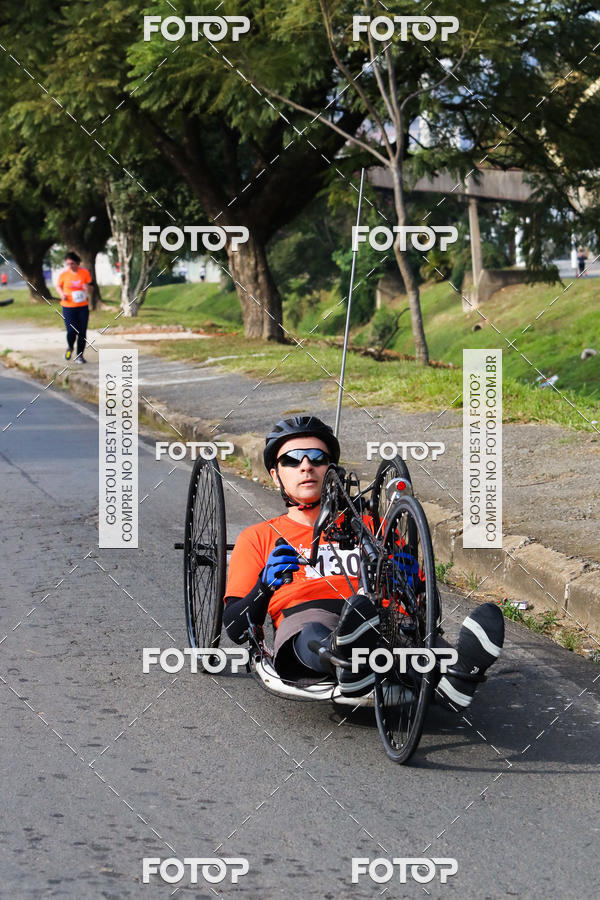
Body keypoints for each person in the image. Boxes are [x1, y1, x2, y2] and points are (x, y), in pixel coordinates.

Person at [223, 415, 505, 708]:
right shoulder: (259, 537)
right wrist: (264, 588)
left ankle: (458, 671)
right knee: (314, 633)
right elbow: (235, 628)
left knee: (405, 634)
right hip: (307, 616)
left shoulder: (373, 525)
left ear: (332, 469)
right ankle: (349, 659)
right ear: (275, 474)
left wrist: (412, 582)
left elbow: (420, 602)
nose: (306, 466)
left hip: (381, 615)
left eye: (317, 458)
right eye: (292, 460)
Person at [56, 251, 93, 363]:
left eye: (72, 263)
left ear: (77, 263)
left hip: (82, 307)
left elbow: (91, 288)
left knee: (82, 331)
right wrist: (62, 295)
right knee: (71, 331)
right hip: (68, 307)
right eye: (68, 264)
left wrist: (87, 288)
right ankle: (70, 347)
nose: (70, 266)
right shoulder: (64, 275)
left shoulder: (85, 273)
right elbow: (58, 286)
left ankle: (80, 356)